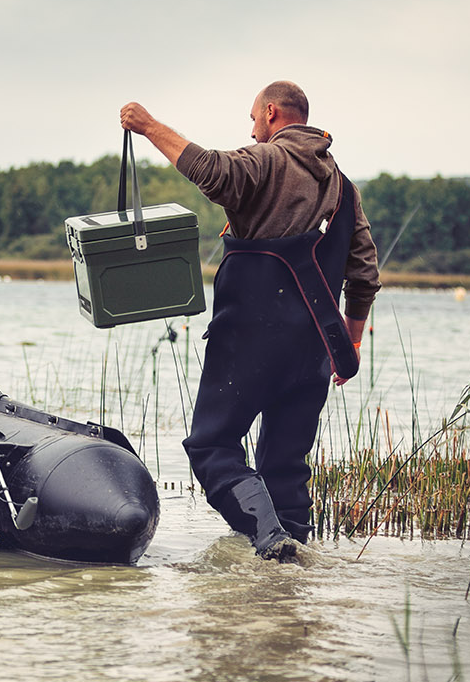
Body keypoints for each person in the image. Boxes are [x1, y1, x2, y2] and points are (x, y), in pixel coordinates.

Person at [120, 81, 382, 561]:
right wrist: (351, 344)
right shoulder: (344, 189)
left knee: (210, 446)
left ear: (272, 112)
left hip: (251, 338)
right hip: (316, 350)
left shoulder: (265, 161)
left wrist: (148, 126)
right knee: (285, 465)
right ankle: (296, 565)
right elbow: (364, 273)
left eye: (254, 120)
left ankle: (268, 537)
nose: (254, 131)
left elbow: (209, 170)